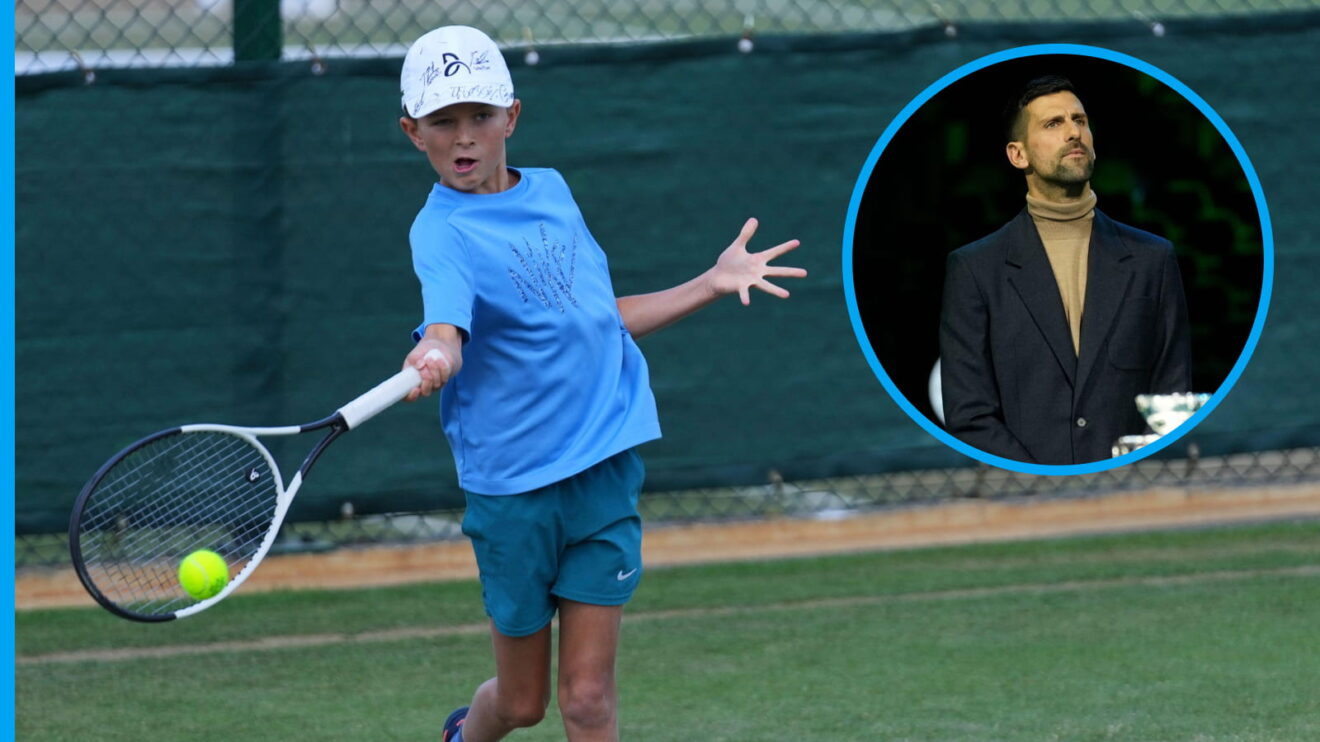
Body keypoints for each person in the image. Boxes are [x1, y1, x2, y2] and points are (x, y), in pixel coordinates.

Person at [394, 26, 806, 742]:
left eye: (480, 117)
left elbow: (597, 322)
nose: (465, 137)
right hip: (514, 490)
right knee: (523, 706)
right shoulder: (440, 233)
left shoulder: (553, 193)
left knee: (587, 700)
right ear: (414, 132)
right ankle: (465, 735)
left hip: (604, 465)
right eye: (443, 121)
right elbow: (446, 326)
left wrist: (709, 283)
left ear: (511, 119)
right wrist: (436, 351)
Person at [939, 74, 1191, 465]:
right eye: (1053, 124)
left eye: (1080, 120)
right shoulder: (975, 269)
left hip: (1132, 488)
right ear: (1017, 155)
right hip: (1026, 496)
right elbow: (970, 415)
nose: (1074, 132)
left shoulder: (1152, 259)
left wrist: (1129, 472)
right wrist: (1036, 483)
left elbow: (1172, 395)